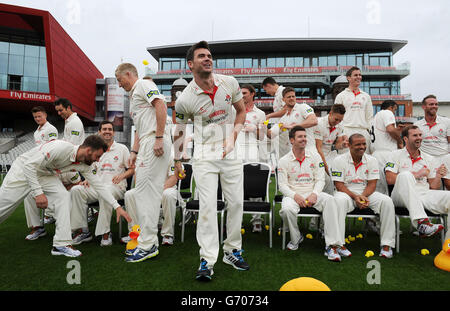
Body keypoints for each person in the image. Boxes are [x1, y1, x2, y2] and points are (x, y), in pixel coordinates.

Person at [173, 40, 249, 281]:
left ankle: (232, 250)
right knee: (207, 208)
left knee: (236, 202)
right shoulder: (185, 99)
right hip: (205, 154)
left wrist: (232, 138)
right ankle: (207, 259)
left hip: (231, 151)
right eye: (201, 56)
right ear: (190, 64)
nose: (207, 58)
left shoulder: (230, 82)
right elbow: (180, 130)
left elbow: (241, 111)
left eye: (209, 55)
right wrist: (177, 160)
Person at [0, 135, 131, 257]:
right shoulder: (60, 147)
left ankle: (61, 244)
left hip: (45, 173)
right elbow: (29, 166)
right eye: (97, 156)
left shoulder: (85, 165)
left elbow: (99, 186)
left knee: (63, 196)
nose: (98, 160)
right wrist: (38, 193)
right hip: (23, 169)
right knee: (4, 206)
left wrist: (117, 207)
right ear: (89, 150)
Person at [115, 62, 171, 263]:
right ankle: (147, 241)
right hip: (146, 142)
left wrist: (158, 137)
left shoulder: (143, 85)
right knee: (143, 193)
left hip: (154, 140)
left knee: (147, 193)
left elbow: (161, 105)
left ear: (129, 74)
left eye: (120, 80)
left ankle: (148, 245)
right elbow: (139, 127)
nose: (120, 85)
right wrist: (134, 151)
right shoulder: (134, 95)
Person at [278, 126, 343, 261]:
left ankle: (332, 246)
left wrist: (314, 194)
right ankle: (296, 239)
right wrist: (295, 196)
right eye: (300, 137)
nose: (304, 139)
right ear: (291, 140)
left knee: (331, 200)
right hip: (293, 194)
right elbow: (282, 185)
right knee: (286, 210)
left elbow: (320, 180)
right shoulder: (283, 161)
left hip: (313, 192)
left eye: (305, 136)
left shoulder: (315, 156)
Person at [70, 121, 135, 246]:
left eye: (110, 129)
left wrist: (122, 175)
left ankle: (106, 233)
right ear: (99, 132)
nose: (107, 131)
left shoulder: (122, 149)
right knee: (76, 190)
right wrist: (87, 180)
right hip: (97, 187)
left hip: (116, 188)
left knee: (107, 192)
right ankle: (82, 231)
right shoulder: (95, 150)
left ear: (113, 132)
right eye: (104, 129)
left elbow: (132, 169)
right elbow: (91, 170)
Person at [331, 133, 396, 258]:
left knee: (387, 201)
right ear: (349, 145)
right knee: (338, 201)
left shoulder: (372, 160)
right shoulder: (339, 160)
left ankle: (387, 245)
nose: (362, 147)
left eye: (364, 144)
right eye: (358, 144)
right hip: (346, 193)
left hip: (366, 193)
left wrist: (362, 196)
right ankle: (338, 244)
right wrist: (355, 197)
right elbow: (339, 185)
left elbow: (372, 184)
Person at [385, 125, 448, 239]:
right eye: (415, 135)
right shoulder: (394, 155)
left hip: (423, 194)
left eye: (420, 135)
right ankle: (422, 223)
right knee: (405, 175)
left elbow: (433, 186)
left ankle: (448, 243)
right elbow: (389, 179)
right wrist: (417, 174)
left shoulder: (429, 158)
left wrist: (438, 176)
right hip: (400, 196)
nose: (419, 138)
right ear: (405, 139)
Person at [23, 106, 60, 241]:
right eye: (35, 117)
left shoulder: (51, 129)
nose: (37, 119)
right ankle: (37, 227)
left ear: (45, 115)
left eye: (39, 116)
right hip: (39, 168)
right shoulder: (36, 132)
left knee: (58, 197)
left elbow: (53, 148)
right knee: (28, 194)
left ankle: (64, 224)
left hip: (49, 169)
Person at [266, 87, 318, 159]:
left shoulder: (303, 107)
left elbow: (313, 121)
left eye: (293, 96)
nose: (291, 98)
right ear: (283, 99)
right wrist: (262, 124)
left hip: (309, 153)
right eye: (288, 97)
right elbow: (271, 135)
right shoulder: (283, 119)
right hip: (295, 155)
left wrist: (293, 126)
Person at [334, 66, 373, 153]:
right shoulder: (341, 96)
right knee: (346, 161)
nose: (358, 77)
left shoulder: (366, 96)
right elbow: (336, 117)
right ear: (348, 78)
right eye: (355, 75)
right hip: (347, 131)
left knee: (364, 161)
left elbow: (369, 117)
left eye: (360, 75)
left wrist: (368, 133)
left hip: (363, 131)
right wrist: (341, 133)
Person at [414, 95, 450, 185]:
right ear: (424, 107)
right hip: (426, 159)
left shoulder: (446, 121)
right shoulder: (417, 125)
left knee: (448, 185)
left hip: (444, 157)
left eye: (436, 104)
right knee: (429, 186)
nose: (434, 106)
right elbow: (414, 145)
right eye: (431, 104)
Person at [314, 104, 348, 194]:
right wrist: (326, 167)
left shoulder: (340, 125)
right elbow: (318, 148)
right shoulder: (319, 123)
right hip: (317, 155)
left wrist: (343, 144)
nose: (337, 122)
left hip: (329, 154)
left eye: (340, 120)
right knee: (326, 179)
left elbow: (337, 146)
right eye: (336, 119)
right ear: (330, 113)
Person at [371, 100, 403, 194]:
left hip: (376, 153)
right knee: (391, 186)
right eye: (395, 110)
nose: (394, 113)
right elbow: (390, 129)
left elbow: (386, 132)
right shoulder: (387, 112)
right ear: (391, 107)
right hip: (386, 153)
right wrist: (400, 141)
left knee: (379, 188)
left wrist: (397, 130)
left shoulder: (375, 117)